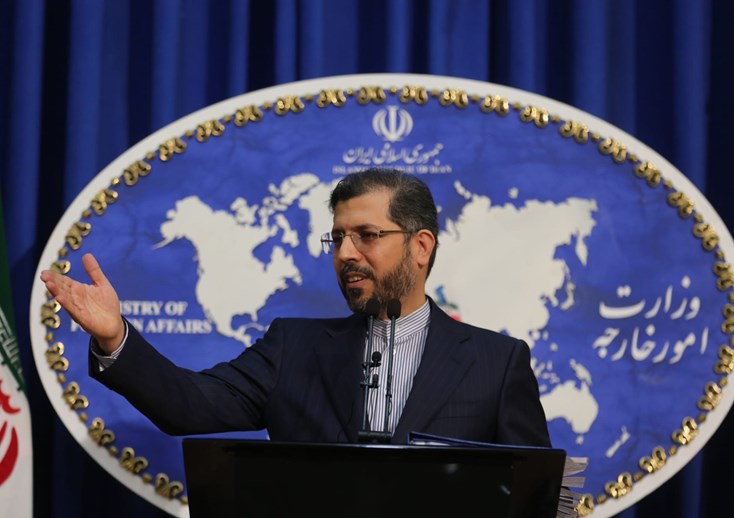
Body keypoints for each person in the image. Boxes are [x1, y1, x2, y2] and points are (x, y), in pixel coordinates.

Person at [40, 168, 550, 447]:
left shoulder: (497, 363)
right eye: (337, 238)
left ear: (420, 246)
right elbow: (185, 406)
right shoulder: (293, 348)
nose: (345, 254)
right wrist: (114, 337)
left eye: (367, 235)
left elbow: (536, 495)